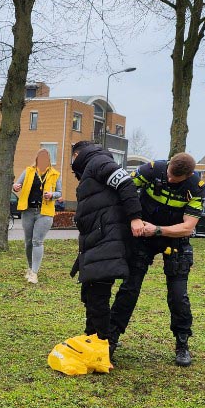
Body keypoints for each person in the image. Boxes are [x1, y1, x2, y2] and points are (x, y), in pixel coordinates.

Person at [108, 153, 205, 367]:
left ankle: (182, 344)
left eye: (175, 179)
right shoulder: (152, 169)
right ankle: (111, 339)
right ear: (168, 164)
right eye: (169, 174)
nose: (170, 180)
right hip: (143, 236)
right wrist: (134, 218)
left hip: (173, 239)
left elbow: (188, 227)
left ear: (188, 175)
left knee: (178, 295)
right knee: (129, 288)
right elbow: (124, 188)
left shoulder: (196, 186)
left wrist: (158, 230)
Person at [69, 141, 145, 363]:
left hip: (106, 240)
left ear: (77, 154)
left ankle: (102, 346)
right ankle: (91, 339)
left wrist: (135, 218)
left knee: (97, 295)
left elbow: (126, 184)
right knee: (91, 293)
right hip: (97, 240)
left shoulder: (98, 162)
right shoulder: (93, 168)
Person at [12, 148, 63, 284]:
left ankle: (34, 272)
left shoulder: (55, 174)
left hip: (44, 212)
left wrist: (52, 195)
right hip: (28, 210)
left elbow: (59, 193)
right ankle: (30, 268)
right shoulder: (28, 171)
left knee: (37, 241)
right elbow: (17, 185)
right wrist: (16, 187)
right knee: (28, 242)